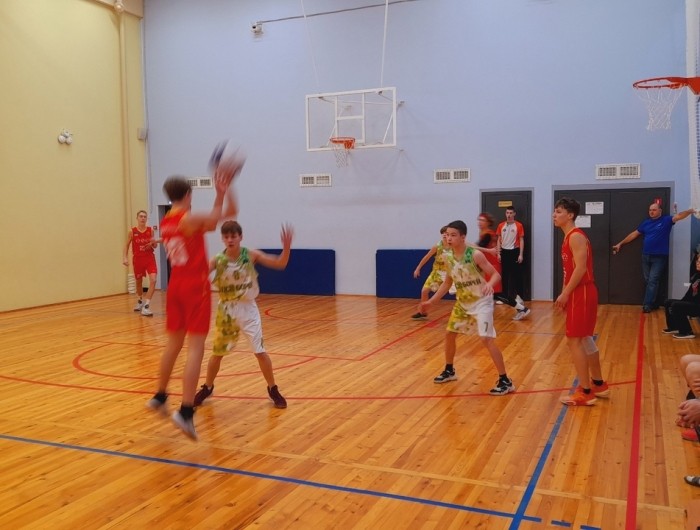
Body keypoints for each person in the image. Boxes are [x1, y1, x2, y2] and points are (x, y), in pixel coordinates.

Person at [146, 161, 240, 441]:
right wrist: (222, 190)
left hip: (175, 286)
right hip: (195, 287)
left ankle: (160, 395)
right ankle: (185, 411)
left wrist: (221, 193)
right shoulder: (188, 219)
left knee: (173, 344)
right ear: (188, 194)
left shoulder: (166, 222)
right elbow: (226, 214)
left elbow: (215, 219)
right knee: (196, 347)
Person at [194, 221, 294, 410]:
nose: (230, 240)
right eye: (226, 237)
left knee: (260, 352)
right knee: (217, 354)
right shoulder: (217, 260)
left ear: (240, 237)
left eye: (233, 236)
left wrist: (286, 248)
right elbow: (197, 277)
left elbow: (280, 263)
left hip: (248, 309)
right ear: (222, 239)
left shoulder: (251, 255)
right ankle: (207, 387)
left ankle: (273, 389)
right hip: (226, 311)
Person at [420, 220, 515, 396]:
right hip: (462, 303)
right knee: (449, 334)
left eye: (453, 235)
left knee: (486, 339)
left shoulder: (475, 255)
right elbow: (447, 282)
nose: (449, 238)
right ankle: (449, 370)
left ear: (463, 237)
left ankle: (505, 380)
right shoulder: (447, 257)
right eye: (447, 235)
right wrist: (431, 302)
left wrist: (490, 285)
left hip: (481, 302)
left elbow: (495, 275)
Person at [553, 197, 609, 406]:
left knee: (574, 340)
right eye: (555, 211)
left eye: (559, 211)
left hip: (582, 292)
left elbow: (581, 269)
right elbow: (569, 271)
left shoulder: (576, 236)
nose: (554, 215)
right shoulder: (568, 237)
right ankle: (599, 384)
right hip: (578, 292)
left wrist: (566, 293)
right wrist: (564, 293)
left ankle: (585, 392)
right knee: (585, 338)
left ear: (570, 215)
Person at [612, 202, 694, 313]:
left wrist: (690, 211)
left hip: (659, 257)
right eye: (650, 210)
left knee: (652, 280)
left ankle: (647, 305)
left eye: (654, 210)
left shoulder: (666, 220)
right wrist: (620, 243)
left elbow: (679, 216)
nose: (651, 212)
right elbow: (634, 234)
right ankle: (654, 302)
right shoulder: (646, 223)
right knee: (650, 281)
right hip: (646, 256)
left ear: (660, 211)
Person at [411, 226, 454, 320]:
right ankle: (423, 312)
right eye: (443, 233)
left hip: (450, 274)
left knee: (460, 293)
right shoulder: (438, 246)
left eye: (446, 234)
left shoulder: (454, 246)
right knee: (424, 291)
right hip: (437, 273)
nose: (444, 235)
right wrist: (418, 268)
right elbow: (427, 257)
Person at [496, 206, 530, 320]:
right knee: (504, 276)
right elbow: (498, 239)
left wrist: (520, 254)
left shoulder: (518, 225)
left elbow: (521, 240)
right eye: (507, 213)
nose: (509, 215)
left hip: (514, 251)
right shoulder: (501, 225)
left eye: (511, 213)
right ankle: (505, 297)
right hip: (504, 252)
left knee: (516, 276)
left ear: (514, 214)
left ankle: (519, 297)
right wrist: (498, 253)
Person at [123, 210, 158, 317]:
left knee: (153, 280)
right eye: (141, 216)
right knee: (139, 282)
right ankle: (140, 300)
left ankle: (146, 306)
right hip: (138, 259)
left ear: (146, 219)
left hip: (149, 258)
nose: (143, 218)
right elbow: (126, 245)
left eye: (144, 216)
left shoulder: (150, 230)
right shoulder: (132, 231)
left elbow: (155, 245)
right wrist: (125, 257)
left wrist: (152, 244)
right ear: (137, 218)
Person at [662, 254, 700, 339]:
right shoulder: (696, 276)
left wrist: (680, 305)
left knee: (676, 305)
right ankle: (674, 327)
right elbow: (689, 293)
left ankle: (687, 332)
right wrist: (681, 302)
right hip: (693, 303)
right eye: (697, 261)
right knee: (668, 302)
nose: (697, 263)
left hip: (697, 305)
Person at [469, 212, 502, 299]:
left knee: (493, 288)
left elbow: (480, 247)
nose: (480, 222)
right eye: (479, 220)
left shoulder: (488, 234)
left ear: (488, 222)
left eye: (482, 220)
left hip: (491, 261)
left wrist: (468, 245)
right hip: (486, 261)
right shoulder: (483, 233)